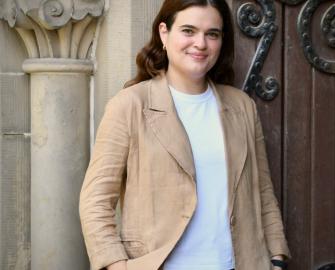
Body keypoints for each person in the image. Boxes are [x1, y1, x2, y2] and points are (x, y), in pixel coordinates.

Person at [79, 0, 291, 269]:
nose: (201, 43)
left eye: (212, 34)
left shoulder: (241, 106)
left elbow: (262, 191)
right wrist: (116, 265)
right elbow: (95, 200)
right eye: (188, 31)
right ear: (164, 33)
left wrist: (276, 259)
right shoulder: (129, 105)